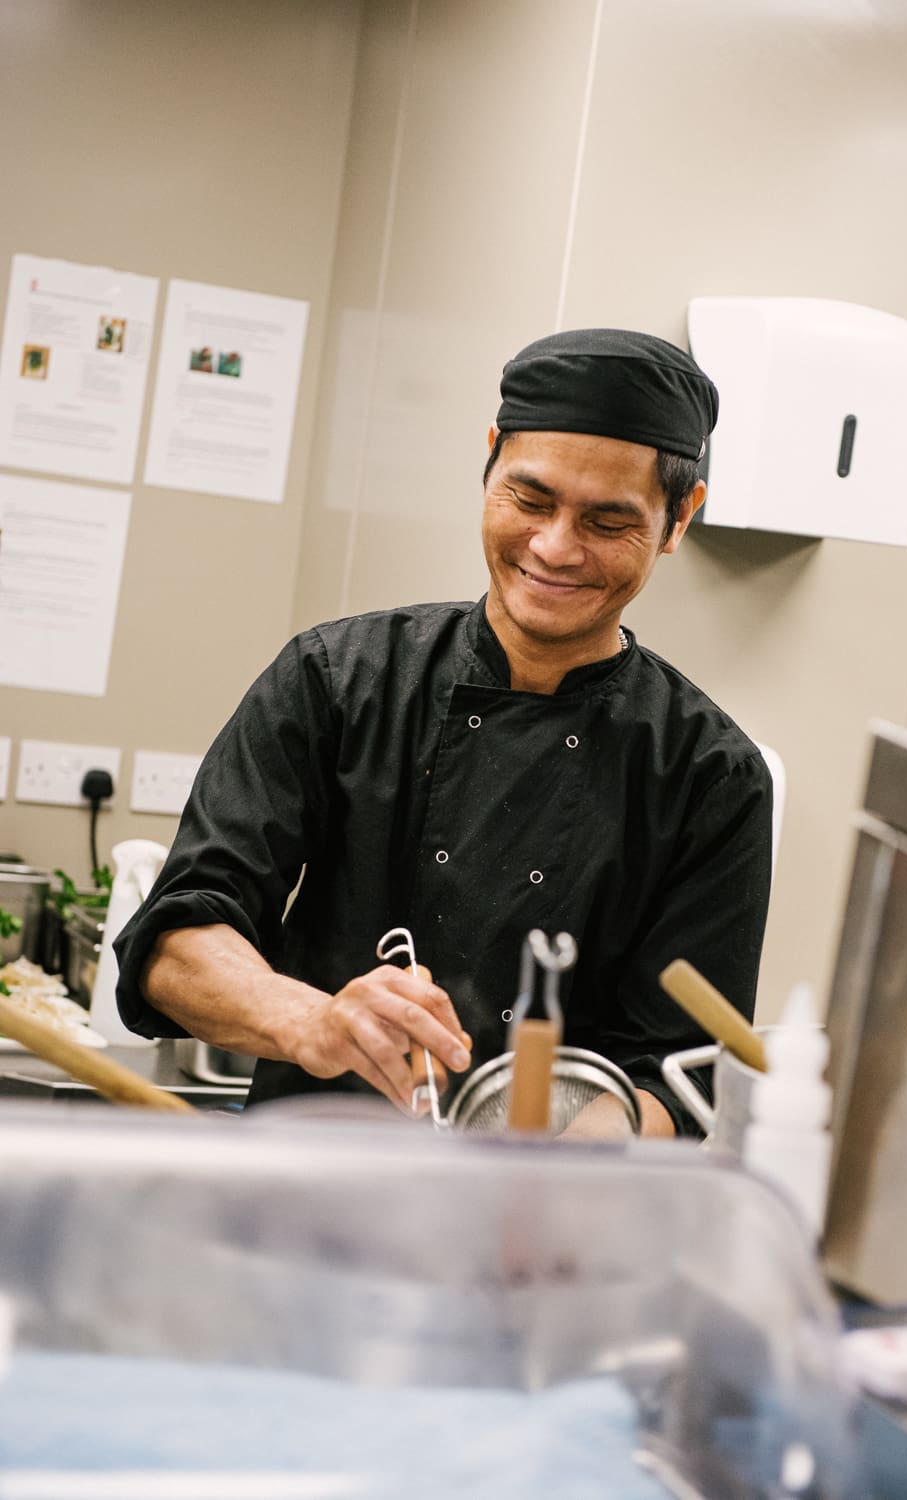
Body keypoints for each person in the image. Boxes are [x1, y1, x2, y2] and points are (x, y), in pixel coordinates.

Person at [115, 328, 773, 1139]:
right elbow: (176, 941)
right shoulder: (335, 680)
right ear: (489, 461)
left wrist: (549, 1148)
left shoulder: (710, 776)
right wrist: (310, 1021)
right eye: (530, 501)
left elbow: (682, 1074)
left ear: (678, 518)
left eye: (607, 522)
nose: (554, 548)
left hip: (539, 1239)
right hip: (300, 1203)